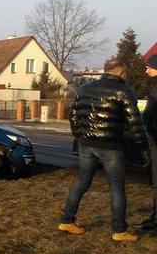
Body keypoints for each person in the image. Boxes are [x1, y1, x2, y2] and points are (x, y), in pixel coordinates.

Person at [58, 59, 150, 242]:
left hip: (86, 144)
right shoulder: (123, 91)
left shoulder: (84, 89)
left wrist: (79, 136)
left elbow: (73, 115)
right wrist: (144, 151)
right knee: (116, 186)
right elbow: (135, 125)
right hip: (110, 146)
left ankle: (66, 220)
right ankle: (119, 230)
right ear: (121, 72)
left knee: (82, 182)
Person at [140, 54, 157, 230]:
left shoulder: (155, 91)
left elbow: (148, 118)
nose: (146, 70)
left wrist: (150, 135)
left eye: (149, 67)